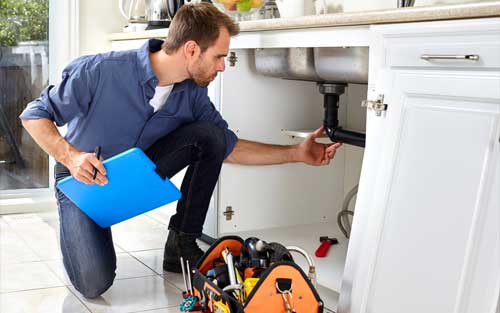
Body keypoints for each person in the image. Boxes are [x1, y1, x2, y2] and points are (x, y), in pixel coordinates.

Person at [19, 3, 342, 298]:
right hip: (84, 181)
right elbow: (34, 115)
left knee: (211, 135)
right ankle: (88, 223)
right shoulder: (99, 70)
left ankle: (181, 244)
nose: (222, 67)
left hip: (135, 173)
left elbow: (227, 147)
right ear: (191, 49)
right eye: (218, 56)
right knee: (94, 283)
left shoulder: (192, 96)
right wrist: (72, 157)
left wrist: (296, 153)